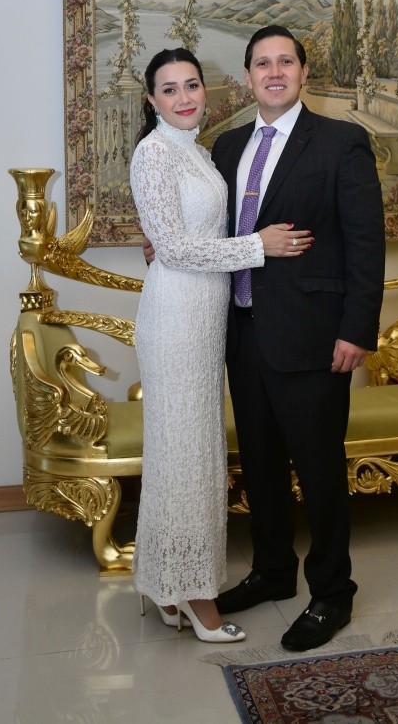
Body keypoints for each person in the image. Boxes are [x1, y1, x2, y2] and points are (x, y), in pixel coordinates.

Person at [145, 25, 385, 652]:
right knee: (260, 465)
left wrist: (356, 330)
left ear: (304, 72)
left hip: (313, 336)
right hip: (239, 332)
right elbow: (202, 229)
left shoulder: (341, 142)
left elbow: (366, 243)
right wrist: (163, 242)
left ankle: (332, 592)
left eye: (285, 62)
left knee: (320, 467)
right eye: (261, 63)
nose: (274, 72)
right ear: (248, 77)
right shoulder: (225, 147)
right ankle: (273, 571)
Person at [130, 47, 313, 645]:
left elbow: (191, 233)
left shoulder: (199, 151)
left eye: (191, 85)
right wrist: (260, 246)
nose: (184, 98)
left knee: (189, 455)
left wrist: (237, 244)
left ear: (205, 90)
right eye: (169, 89)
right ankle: (197, 597)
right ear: (152, 100)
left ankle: (167, 585)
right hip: (176, 320)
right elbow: (175, 249)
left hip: (208, 321)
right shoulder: (154, 152)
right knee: (184, 457)